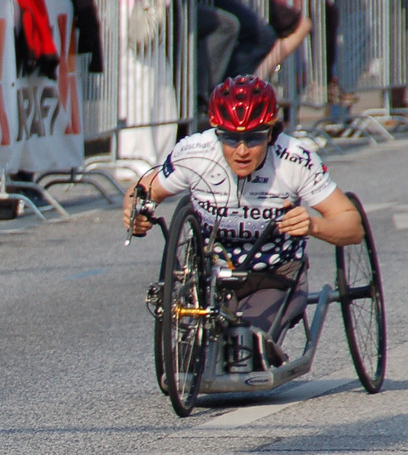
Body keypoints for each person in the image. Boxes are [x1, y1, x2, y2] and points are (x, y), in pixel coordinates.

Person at [123, 75, 363, 356]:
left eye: (253, 138)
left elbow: (352, 225)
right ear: (217, 133)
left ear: (271, 133)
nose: (241, 150)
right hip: (209, 277)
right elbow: (142, 190)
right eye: (230, 138)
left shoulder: (296, 159)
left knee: (243, 349)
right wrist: (134, 215)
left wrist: (314, 224)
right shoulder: (195, 153)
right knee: (192, 353)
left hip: (272, 275)